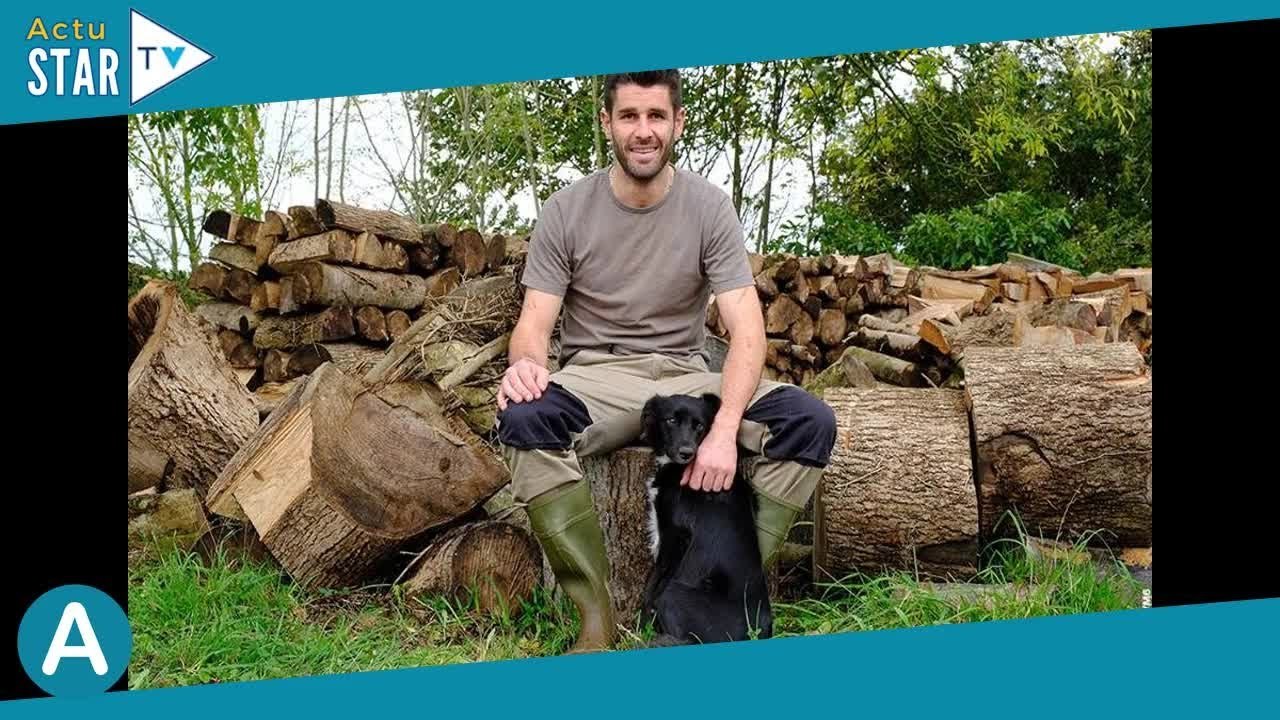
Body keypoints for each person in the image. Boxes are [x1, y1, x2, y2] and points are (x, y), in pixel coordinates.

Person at [494, 69, 836, 654]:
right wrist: (525, 364)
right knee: (524, 419)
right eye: (629, 116)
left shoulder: (709, 207)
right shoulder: (565, 210)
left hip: (686, 377)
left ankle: (715, 599)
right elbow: (533, 326)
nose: (643, 131)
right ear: (607, 124)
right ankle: (595, 621)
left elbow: (748, 330)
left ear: (678, 123)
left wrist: (725, 428)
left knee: (810, 421)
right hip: (595, 379)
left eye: (656, 116)